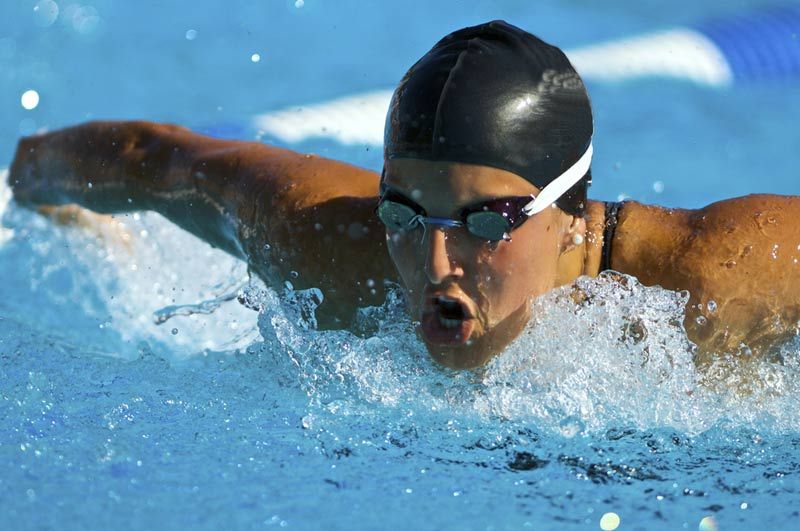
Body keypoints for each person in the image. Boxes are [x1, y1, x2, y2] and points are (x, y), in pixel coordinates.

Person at [8, 21, 800, 369]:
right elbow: (158, 160)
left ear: (568, 212)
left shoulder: (711, 280)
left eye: (487, 219)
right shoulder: (334, 252)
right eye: (403, 212)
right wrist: (28, 179)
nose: (432, 260)